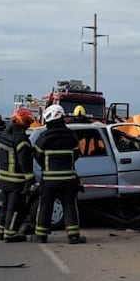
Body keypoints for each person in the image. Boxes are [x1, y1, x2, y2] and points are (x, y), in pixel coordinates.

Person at [32, 104, 86, 244]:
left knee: (45, 206)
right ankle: (73, 236)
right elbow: (77, 154)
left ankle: (41, 236)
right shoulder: (71, 135)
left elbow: (37, 155)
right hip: (69, 178)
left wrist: (47, 167)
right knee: (69, 205)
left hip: (49, 179)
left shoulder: (44, 137)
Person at [0, 107, 37, 242]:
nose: (29, 125)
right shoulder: (21, 139)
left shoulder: (5, 134)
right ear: (23, 121)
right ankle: (10, 234)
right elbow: (24, 161)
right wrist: (30, 179)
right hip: (16, 180)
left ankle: (1, 231)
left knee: (5, 205)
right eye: (28, 122)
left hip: (3, 178)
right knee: (14, 208)